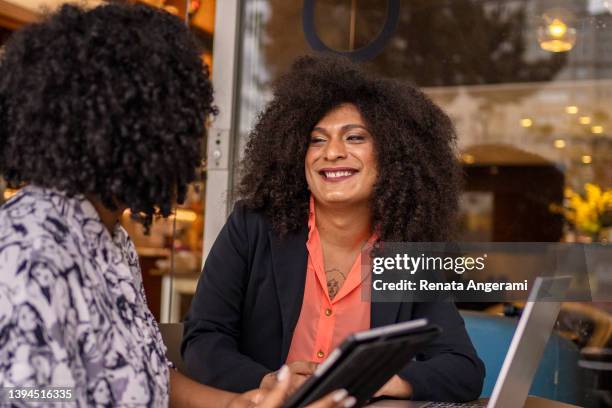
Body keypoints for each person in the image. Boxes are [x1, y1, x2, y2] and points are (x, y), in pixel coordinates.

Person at [0, 4, 355, 408]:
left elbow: (142, 372)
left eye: (356, 138)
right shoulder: (28, 251)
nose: (195, 142)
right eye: (316, 139)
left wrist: (240, 405)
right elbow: (30, 394)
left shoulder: (110, 241)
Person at [182, 55, 486, 402]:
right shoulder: (252, 226)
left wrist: (378, 381)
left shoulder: (407, 253)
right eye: (317, 140)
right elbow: (203, 338)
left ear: (393, 156)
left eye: (355, 138)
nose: (332, 153)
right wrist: (268, 382)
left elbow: (463, 368)